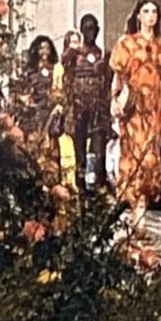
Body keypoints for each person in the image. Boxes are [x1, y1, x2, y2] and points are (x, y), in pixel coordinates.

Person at [108, 0, 161, 216]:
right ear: (138, 15)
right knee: (134, 155)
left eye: (154, 12)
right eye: (146, 11)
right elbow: (118, 77)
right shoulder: (127, 44)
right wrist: (114, 99)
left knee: (150, 157)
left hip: (154, 109)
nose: (150, 16)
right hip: (133, 108)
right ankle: (136, 208)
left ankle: (141, 206)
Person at [61, 15, 112, 190]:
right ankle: (81, 189)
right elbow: (66, 80)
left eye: (94, 28)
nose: (92, 32)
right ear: (82, 31)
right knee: (80, 154)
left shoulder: (104, 55)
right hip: (79, 108)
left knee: (99, 153)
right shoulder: (74, 55)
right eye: (88, 28)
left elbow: (108, 83)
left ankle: (100, 188)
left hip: (98, 109)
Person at [8, 36, 64, 181]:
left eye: (47, 48)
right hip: (35, 116)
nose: (44, 51)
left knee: (52, 151)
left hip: (52, 115)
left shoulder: (56, 70)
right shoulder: (30, 72)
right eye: (41, 48)